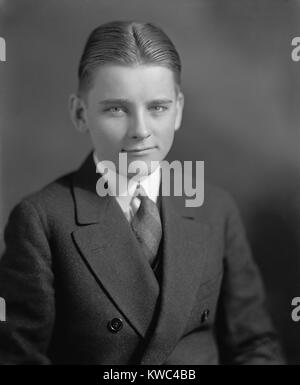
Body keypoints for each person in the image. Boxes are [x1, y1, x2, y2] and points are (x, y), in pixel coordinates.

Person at [0, 20, 284, 365]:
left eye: (157, 108)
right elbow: (20, 357)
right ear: (79, 113)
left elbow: (254, 344)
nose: (140, 131)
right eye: (116, 109)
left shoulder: (215, 208)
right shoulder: (42, 221)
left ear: (178, 110)